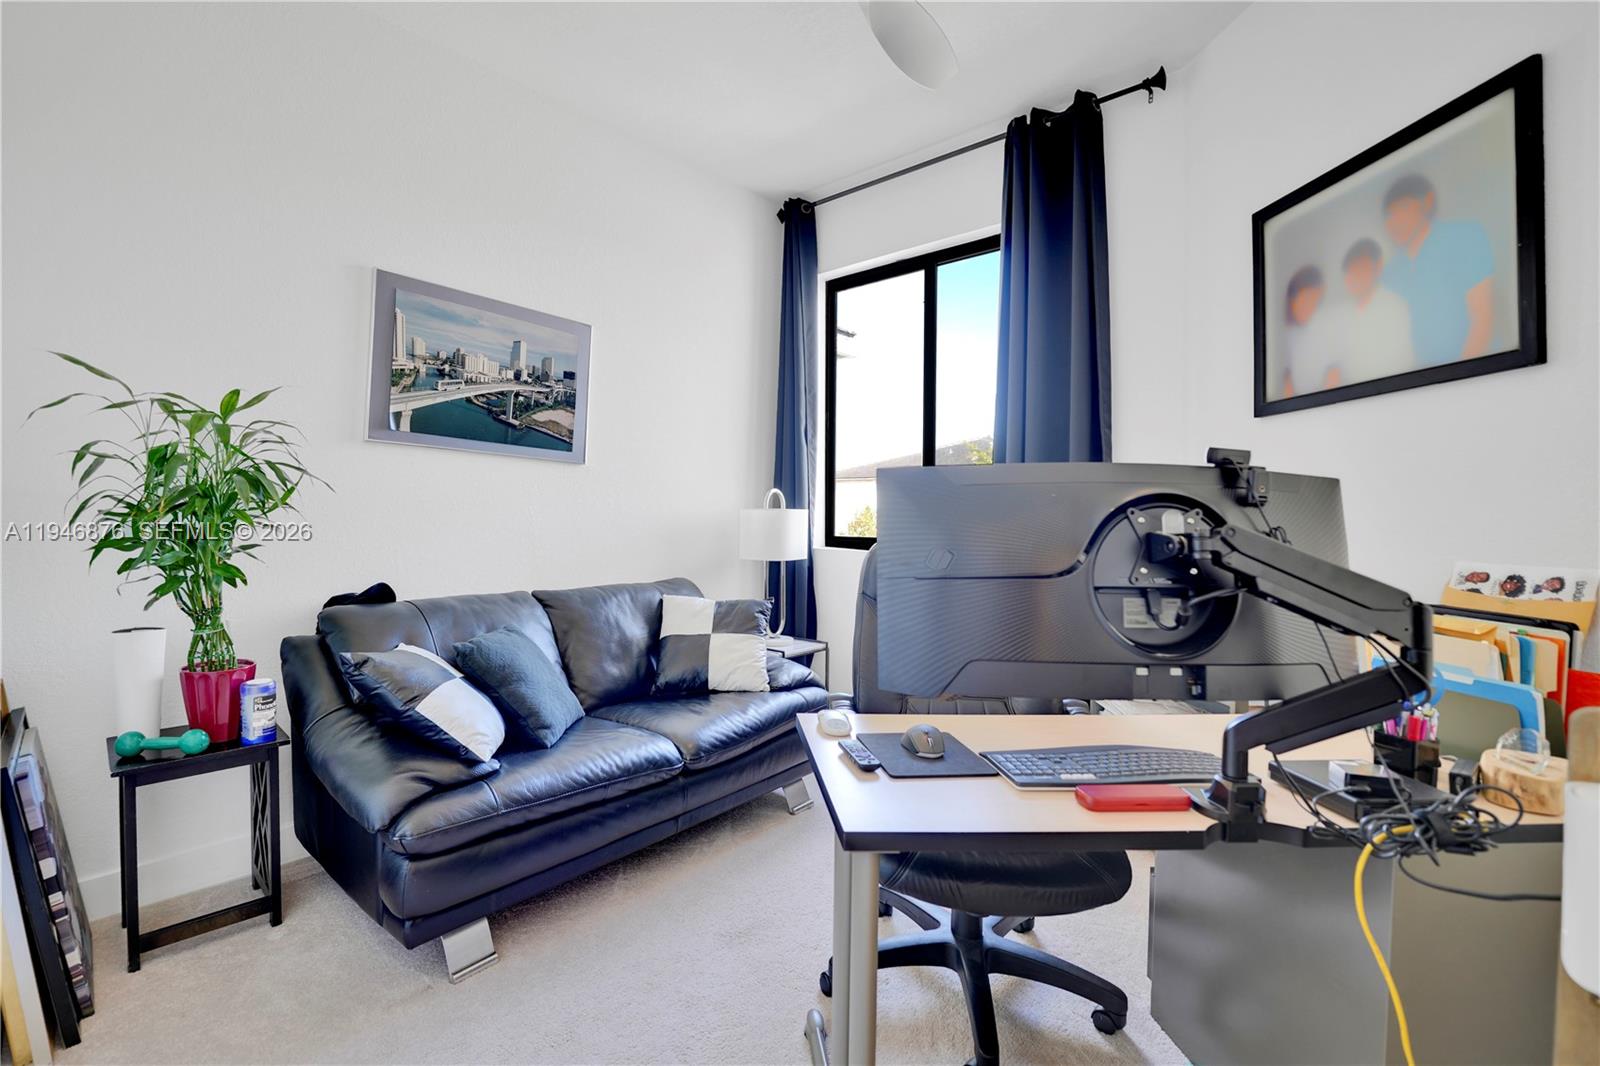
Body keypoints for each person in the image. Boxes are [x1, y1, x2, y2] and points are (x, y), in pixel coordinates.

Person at [1380, 174, 1495, 366]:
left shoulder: (1464, 237)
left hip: (1476, 374)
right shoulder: (1390, 273)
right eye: (1389, 216)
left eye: (1402, 209)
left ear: (1427, 203)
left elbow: (1482, 317)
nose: (1394, 221)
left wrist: (1463, 378)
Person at [1336, 238, 1414, 385]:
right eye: (1350, 272)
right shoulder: (1343, 314)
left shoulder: (1394, 307)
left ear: (1377, 268)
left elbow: (1402, 363)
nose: (1354, 277)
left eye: (1360, 269)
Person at [1281, 265, 1339, 397]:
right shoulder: (1289, 336)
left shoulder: (1327, 334)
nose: (1309, 307)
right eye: (1304, 299)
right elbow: (1287, 381)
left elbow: (1333, 377)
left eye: (1314, 301)